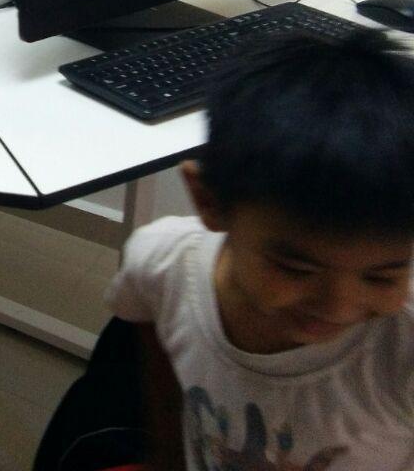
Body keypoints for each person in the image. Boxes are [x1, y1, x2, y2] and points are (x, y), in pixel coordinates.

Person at [106, 30, 414, 470]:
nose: (339, 306)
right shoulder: (160, 265)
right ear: (209, 201)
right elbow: (163, 391)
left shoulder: (402, 345)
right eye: (296, 269)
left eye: (383, 276)